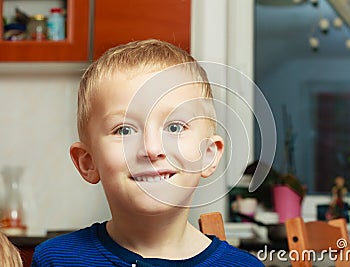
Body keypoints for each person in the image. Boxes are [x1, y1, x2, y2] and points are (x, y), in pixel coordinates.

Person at [31, 39, 264, 266]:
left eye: (175, 127)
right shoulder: (55, 259)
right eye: (124, 130)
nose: (151, 149)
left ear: (208, 154)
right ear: (88, 162)